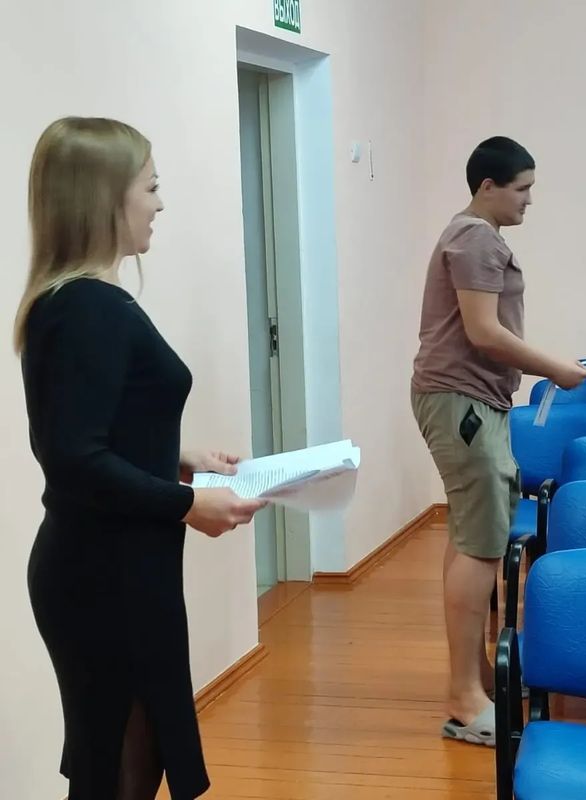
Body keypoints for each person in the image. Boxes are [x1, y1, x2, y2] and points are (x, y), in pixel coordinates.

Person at [16, 117, 266, 800]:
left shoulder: (79, 302)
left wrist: (174, 455)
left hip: (119, 565)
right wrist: (188, 503)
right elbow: (74, 460)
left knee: (135, 753)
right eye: (151, 187)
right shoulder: (87, 308)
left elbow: (90, 431)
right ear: (104, 196)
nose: (160, 203)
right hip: (103, 575)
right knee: (115, 765)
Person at [411, 136, 586, 746]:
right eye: (522, 188)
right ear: (487, 186)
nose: (528, 200)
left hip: (466, 398)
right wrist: (554, 367)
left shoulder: (471, 235)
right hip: (461, 399)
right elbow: (484, 332)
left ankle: (473, 676)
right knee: (483, 544)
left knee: (471, 536)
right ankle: (464, 696)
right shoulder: (477, 238)